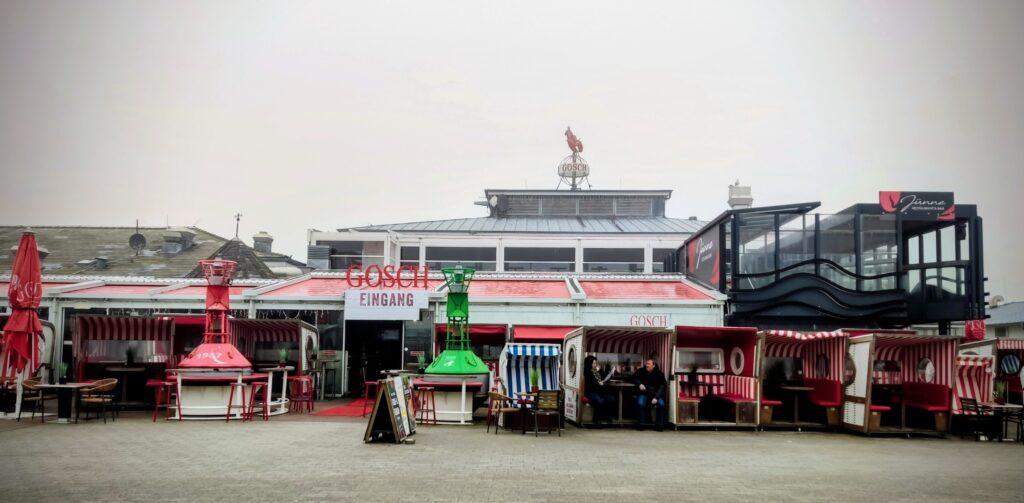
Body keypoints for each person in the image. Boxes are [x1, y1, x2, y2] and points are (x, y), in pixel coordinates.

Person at [634, 357, 667, 431]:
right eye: (646, 364)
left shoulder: (659, 374)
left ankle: (659, 425)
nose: (647, 365)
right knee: (640, 403)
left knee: (661, 404)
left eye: (649, 364)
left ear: (653, 365)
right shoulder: (641, 371)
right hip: (644, 394)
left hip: (655, 395)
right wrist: (639, 384)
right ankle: (641, 424)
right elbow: (634, 378)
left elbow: (662, 387)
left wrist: (656, 397)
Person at [583, 355, 616, 425]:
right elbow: (591, 383)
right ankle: (597, 419)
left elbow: (604, 377)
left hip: (599, 391)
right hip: (591, 392)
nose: (595, 365)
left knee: (611, 398)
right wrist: (599, 382)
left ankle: (607, 416)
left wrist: (601, 371)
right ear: (589, 364)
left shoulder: (596, 371)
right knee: (600, 401)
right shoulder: (587, 372)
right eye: (594, 363)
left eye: (596, 363)